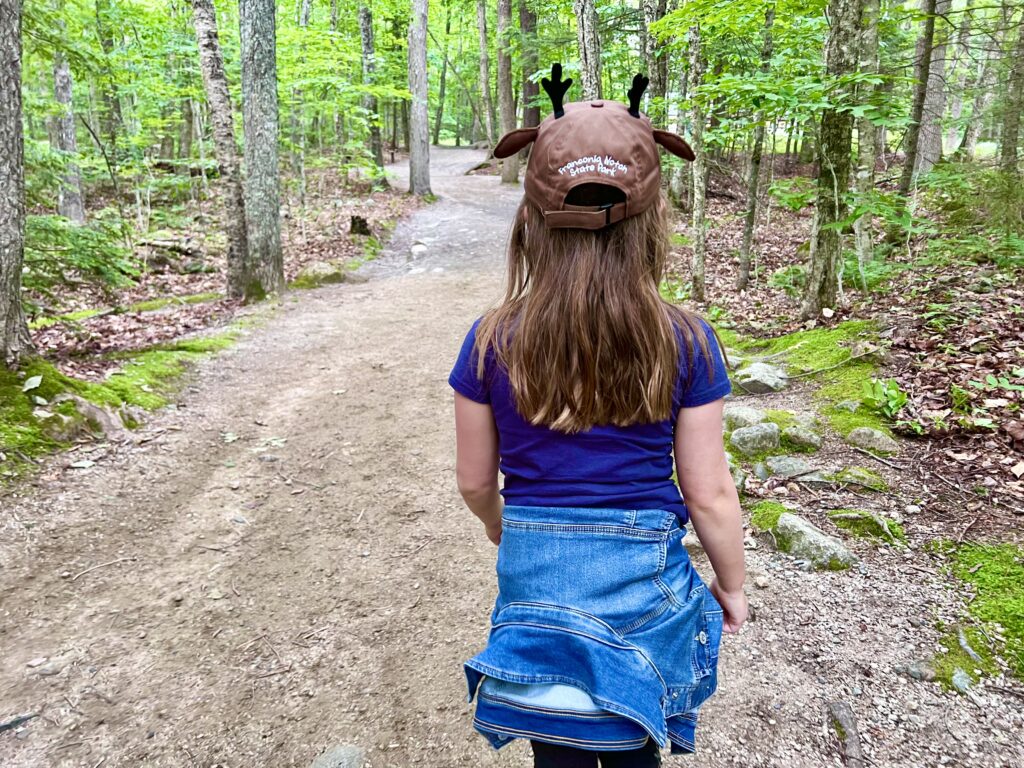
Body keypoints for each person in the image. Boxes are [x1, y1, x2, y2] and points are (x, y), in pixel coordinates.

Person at [448, 64, 747, 768]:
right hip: (640, 587)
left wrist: (501, 525)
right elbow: (708, 492)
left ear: (531, 220)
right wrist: (731, 585)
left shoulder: (490, 339)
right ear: (651, 222)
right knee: (633, 732)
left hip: (537, 582)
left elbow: (471, 479)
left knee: (558, 736)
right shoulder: (686, 340)